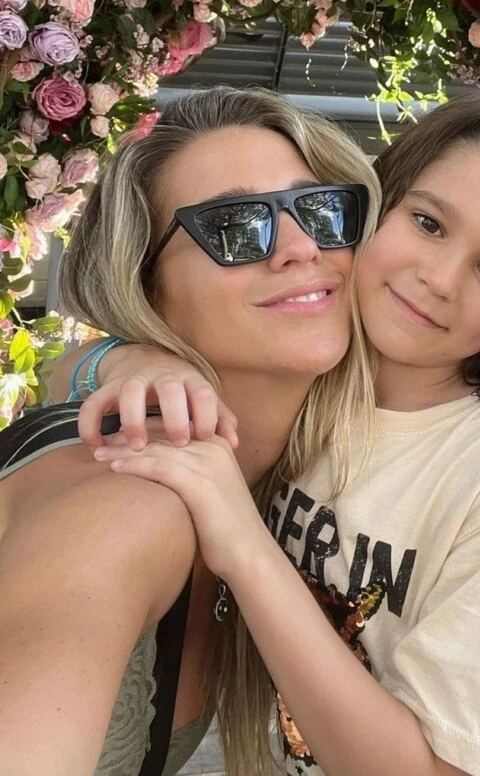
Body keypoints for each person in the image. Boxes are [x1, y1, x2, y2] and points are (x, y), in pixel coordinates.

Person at [52, 90, 480, 776]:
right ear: (372, 211)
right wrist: (132, 360)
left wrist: (245, 546)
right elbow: (65, 377)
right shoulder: (316, 382)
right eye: (428, 223)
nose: (439, 279)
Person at [0, 88, 381, 776]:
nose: (302, 249)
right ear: (144, 285)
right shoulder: (128, 503)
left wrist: (113, 358)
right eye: (234, 227)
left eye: (321, 210)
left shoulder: (289, 493)